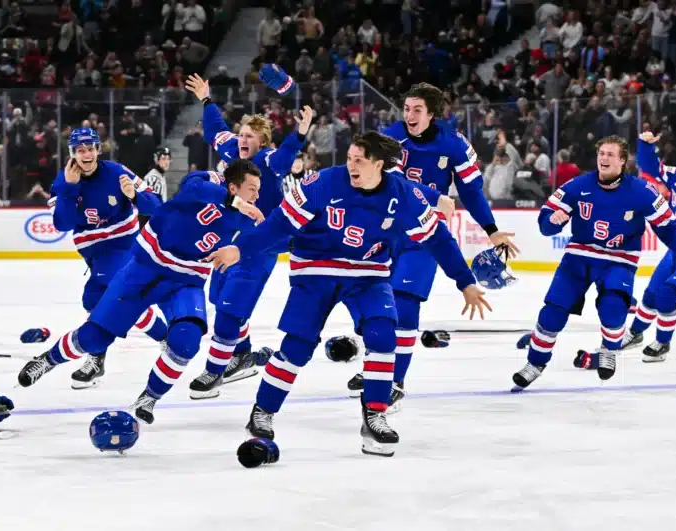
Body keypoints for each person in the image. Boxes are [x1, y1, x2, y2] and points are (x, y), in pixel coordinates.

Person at [206, 132, 492, 457]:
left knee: (384, 336)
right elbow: (279, 225)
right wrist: (239, 250)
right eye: (349, 158)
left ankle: (375, 414)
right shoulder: (322, 183)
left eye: (359, 160)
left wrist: (465, 281)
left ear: (379, 166)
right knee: (296, 347)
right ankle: (264, 411)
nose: (351, 165)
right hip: (315, 268)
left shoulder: (405, 195)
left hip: (368, 273)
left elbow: (438, 238)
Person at [16, 160, 265, 426]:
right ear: (233, 186)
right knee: (94, 338)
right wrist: (235, 202)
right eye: (252, 189)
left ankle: (148, 397)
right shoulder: (211, 182)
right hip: (145, 267)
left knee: (186, 340)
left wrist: (242, 250)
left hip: (187, 280)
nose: (257, 196)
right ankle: (48, 359)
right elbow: (191, 186)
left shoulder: (251, 215)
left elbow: (277, 238)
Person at [330, 82, 519, 411]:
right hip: (383, 230)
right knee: (368, 303)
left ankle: (394, 381)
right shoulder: (390, 139)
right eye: (406, 109)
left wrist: (491, 230)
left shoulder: (455, 146)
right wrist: (435, 197)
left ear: (433, 114)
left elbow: (472, 192)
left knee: (404, 303)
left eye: (417, 110)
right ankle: (379, 363)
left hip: (423, 233)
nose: (409, 115)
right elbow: (393, 183)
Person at [513, 135, 676, 390]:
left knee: (613, 308)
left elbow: (669, 229)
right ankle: (535, 364)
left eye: (610, 154)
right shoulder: (577, 185)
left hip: (619, 259)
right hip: (579, 256)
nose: (604, 158)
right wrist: (553, 221)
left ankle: (609, 349)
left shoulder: (642, 191)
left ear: (622, 161)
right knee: (552, 313)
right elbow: (545, 222)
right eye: (601, 153)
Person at [183, 73, 312, 397]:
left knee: (229, 308)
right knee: (218, 300)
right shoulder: (231, 151)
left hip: (262, 246)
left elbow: (285, 155)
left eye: (251, 136)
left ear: (262, 142)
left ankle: (214, 373)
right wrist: (206, 99)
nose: (242, 139)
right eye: (241, 134)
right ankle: (242, 355)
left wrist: (300, 132)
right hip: (229, 242)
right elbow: (214, 130)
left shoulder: (269, 159)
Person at [19, 128, 167, 389]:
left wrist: (134, 195)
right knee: (95, 302)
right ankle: (145, 344)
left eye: (90, 149)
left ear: (99, 149)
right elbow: (63, 224)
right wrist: (69, 189)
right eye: (80, 150)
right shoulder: (63, 180)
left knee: (111, 293)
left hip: (124, 247)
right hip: (95, 256)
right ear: (72, 153)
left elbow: (155, 206)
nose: (86, 154)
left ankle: (76, 358)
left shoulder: (118, 171)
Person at [580, 133, 676, 366]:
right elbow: (651, 167)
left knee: (667, 296)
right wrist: (646, 145)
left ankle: (662, 343)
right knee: (650, 295)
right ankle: (635, 333)